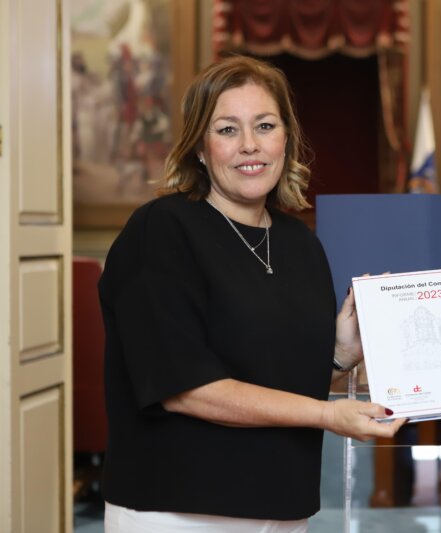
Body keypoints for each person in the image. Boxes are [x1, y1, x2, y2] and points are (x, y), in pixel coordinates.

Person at [99, 55, 405, 532]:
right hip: (180, 510)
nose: (249, 146)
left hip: (283, 507)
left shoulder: (299, 243)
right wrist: (329, 415)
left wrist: (340, 358)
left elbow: (277, 381)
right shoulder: (160, 232)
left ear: (286, 138)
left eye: (264, 126)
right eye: (227, 130)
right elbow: (186, 389)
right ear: (200, 146)